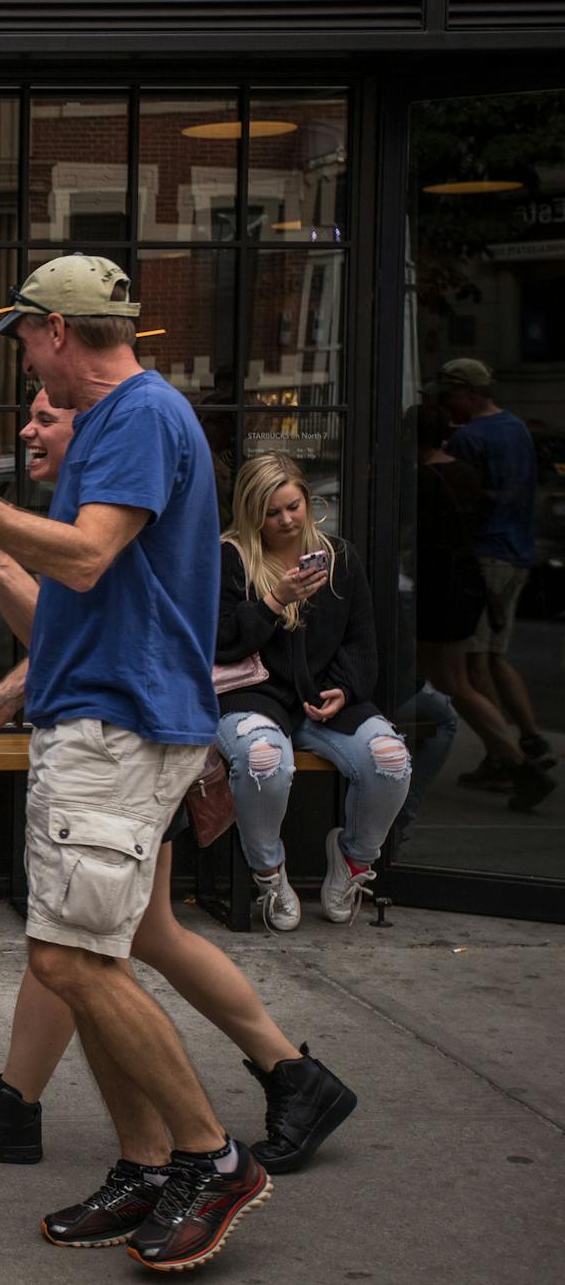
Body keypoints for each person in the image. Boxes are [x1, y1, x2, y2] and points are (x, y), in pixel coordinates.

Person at [0, 255, 271, 1273]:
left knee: (71, 963)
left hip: (121, 728)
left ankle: (212, 1157)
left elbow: (86, 557)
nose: (21, 363)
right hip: (101, 713)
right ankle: (145, 1165)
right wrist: (15, 689)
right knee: (91, 959)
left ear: (55, 329)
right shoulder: (123, 419)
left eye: (23, 338)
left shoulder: (137, 415)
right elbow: (105, 598)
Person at [0, 390, 356, 1179]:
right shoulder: (93, 513)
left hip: (133, 744)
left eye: (46, 417)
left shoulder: (112, 519)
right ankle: (290, 1075)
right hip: (139, 735)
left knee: (78, 939)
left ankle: (173, 1144)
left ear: (91, 429)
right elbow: (70, 638)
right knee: (125, 934)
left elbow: (79, 634)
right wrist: (8, 682)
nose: (28, 428)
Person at [216, 453, 411, 928]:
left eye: (293, 506)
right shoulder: (229, 558)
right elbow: (219, 641)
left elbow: (361, 640)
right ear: (251, 513)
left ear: (308, 501)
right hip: (253, 694)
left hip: (325, 695)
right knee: (263, 760)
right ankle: (268, 871)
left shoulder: (339, 558)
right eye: (271, 512)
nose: (286, 520)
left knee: (391, 760)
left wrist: (345, 688)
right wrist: (275, 600)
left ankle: (354, 860)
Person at [412, 400, 549, 808]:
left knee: (454, 683)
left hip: (441, 590)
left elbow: (418, 538)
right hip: (465, 586)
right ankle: (517, 758)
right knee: (450, 679)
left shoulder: (424, 480)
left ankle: (519, 763)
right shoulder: (464, 474)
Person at [439, 359, 554, 793]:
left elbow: (463, 501)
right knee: (494, 655)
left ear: (469, 392)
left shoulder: (468, 438)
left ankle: (504, 756)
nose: (446, 403)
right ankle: (531, 737)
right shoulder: (516, 428)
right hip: (517, 552)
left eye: (449, 393)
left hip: (486, 554)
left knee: (472, 664)